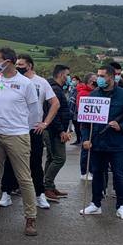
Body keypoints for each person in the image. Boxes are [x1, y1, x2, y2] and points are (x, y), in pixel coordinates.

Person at [0, 48, 40, 236]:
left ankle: (30, 218)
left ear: (8, 61)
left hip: (18, 135)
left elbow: (34, 112)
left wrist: (24, 128)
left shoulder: (25, 84)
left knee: (24, 178)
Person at [79, 66, 123, 219]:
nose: (97, 79)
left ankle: (121, 206)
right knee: (97, 173)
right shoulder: (94, 94)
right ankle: (95, 204)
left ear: (111, 77)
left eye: (102, 76)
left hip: (116, 143)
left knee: (119, 175)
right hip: (97, 143)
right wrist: (85, 138)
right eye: (97, 75)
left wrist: (121, 126)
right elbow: (85, 122)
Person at [15, 55, 59, 210]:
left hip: (34, 129)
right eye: (16, 64)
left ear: (30, 65)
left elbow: (55, 103)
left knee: (35, 163)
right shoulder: (13, 81)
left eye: (21, 64)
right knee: (10, 163)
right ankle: (7, 192)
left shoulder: (41, 82)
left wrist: (45, 123)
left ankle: (40, 195)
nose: (18, 66)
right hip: (15, 129)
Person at [42, 64, 72, 201]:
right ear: (61, 75)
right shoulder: (55, 90)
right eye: (68, 74)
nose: (69, 77)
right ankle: (47, 187)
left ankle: (48, 185)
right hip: (53, 131)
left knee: (51, 157)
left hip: (52, 129)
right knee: (59, 158)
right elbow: (54, 113)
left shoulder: (53, 88)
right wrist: (61, 131)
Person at [74, 74, 95, 180]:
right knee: (86, 148)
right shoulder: (82, 93)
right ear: (87, 82)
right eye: (92, 81)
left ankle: (92, 170)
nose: (94, 83)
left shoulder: (97, 92)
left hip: (96, 125)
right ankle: (84, 172)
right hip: (86, 124)